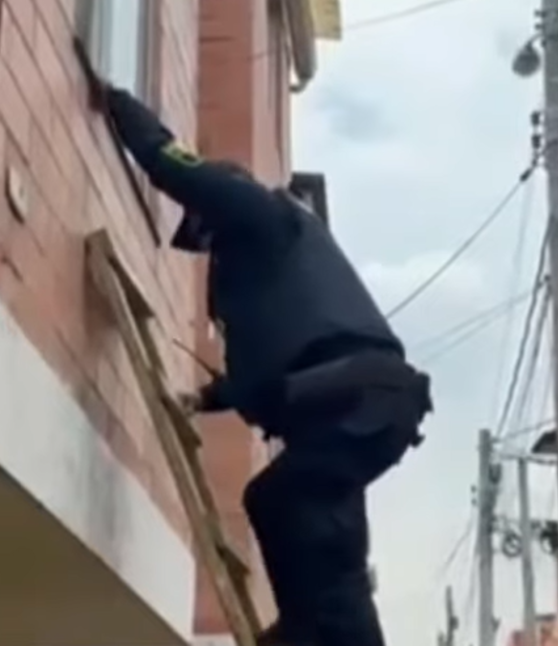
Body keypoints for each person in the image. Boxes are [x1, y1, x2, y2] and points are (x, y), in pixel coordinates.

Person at [88, 77, 433, 646]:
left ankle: (305, 628)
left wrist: (119, 102)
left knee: (275, 499)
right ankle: (331, 632)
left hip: (352, 401)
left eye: (206, 232)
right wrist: (206, 398)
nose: (210, 247)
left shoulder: (256, 210)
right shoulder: (274, 268)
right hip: (359, 401)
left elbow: (172, 164)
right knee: (330, 535)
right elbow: (270, 377)